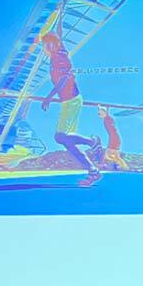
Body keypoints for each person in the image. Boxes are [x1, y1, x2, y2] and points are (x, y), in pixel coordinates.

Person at [37, 27, 101, 186]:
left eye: (44, 46)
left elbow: (64, 79)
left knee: (59, 137)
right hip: (69, 102)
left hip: (71, 101)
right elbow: (59, 34)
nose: (43, 49)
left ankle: (92, 142)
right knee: (67, 141)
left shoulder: (59, 58)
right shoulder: (57, 55)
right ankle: (93, 171)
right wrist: (59, 15)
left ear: (51, 45)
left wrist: (49, 97)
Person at [95, 105, 129, 170]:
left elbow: (106, 112)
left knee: (108, 155)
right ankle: (125, 167)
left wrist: (103, 108)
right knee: (114, 156)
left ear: (104, 112)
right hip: (114, 138)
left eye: (100, 113)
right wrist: (99, 107)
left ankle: (102, 165)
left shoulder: (108, 118)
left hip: (114, 138)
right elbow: (104, 111)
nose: (99, 115)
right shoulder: (106, 119)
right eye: (98, 114)